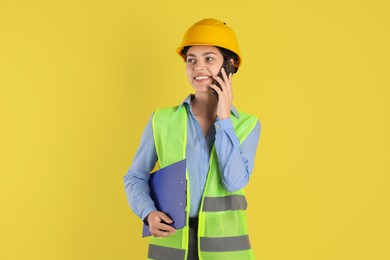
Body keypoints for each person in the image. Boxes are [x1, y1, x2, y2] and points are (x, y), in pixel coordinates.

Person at [124, 18, 261, 260]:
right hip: (172, 244)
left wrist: (224, 119)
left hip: (226, 253)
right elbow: (135, 176)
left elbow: (234, 181)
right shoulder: (162, 120)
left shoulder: (247, 124)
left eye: (209, 59)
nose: (198, 67)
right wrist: (148, 213)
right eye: (191, 60)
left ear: (229, 66)